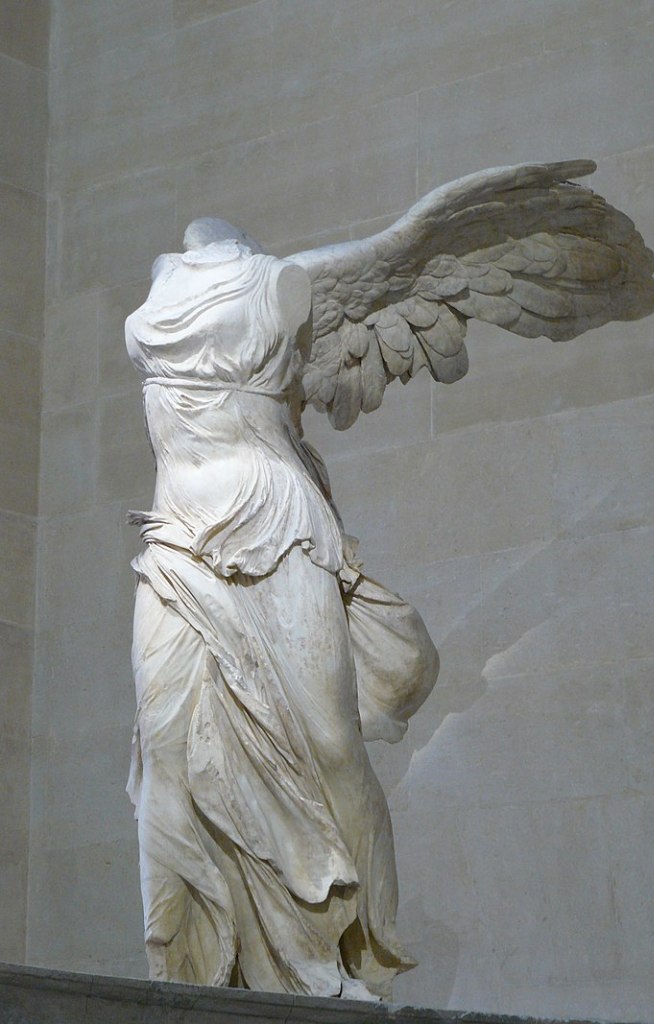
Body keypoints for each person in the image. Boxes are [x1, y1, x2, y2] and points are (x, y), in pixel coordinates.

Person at [125, 223, 439, 998]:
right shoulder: (165, 270)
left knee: (331, 743)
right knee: (168, 751)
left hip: (275, 524)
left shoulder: (284, 282)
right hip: (174, 537)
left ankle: (357, 953)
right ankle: (186, 972)